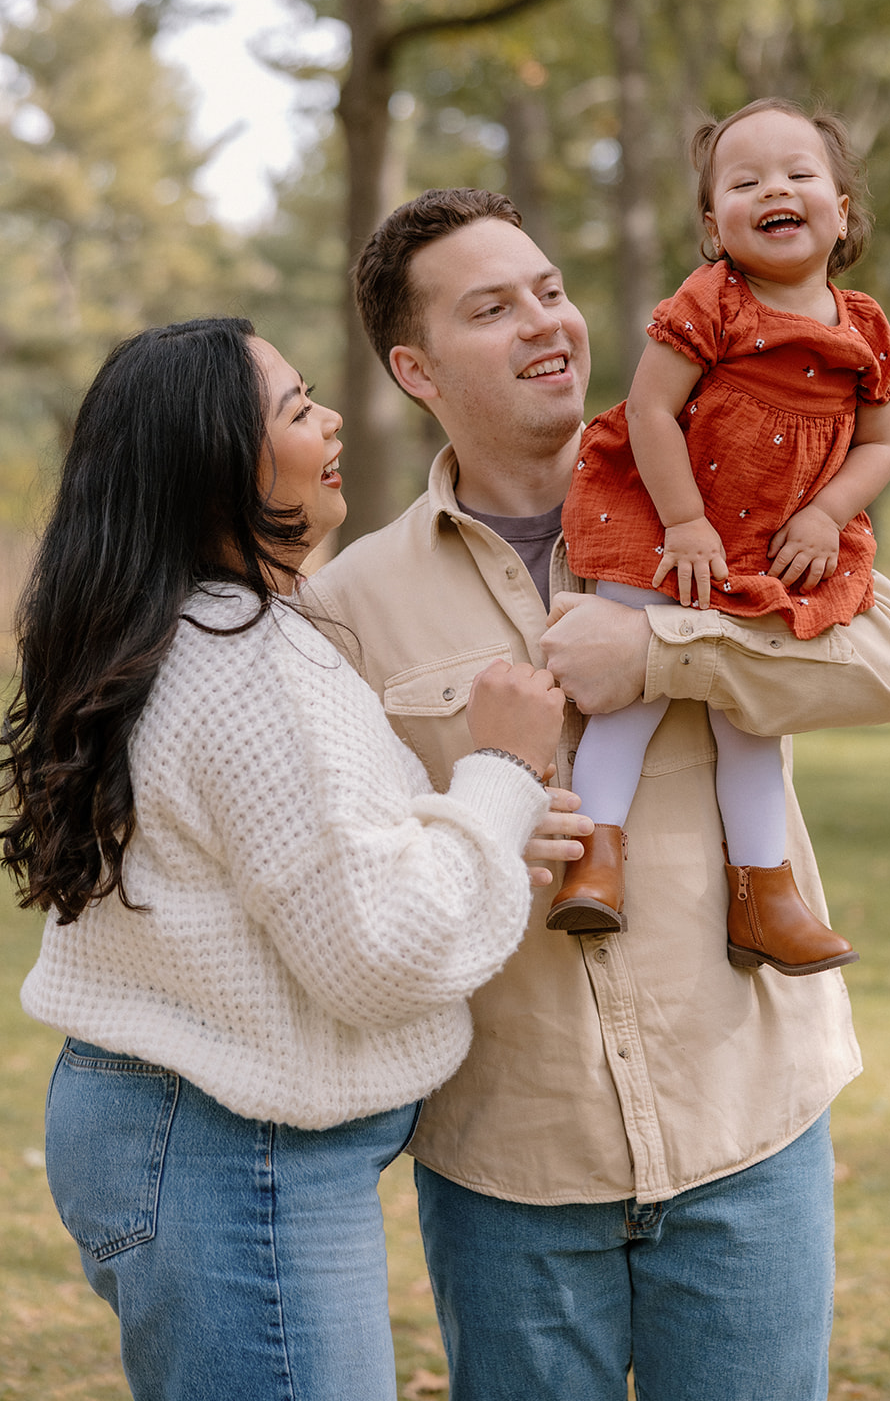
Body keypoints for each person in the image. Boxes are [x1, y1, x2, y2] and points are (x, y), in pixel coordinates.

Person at [308, 188, 890, 1401]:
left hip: (744, 1128)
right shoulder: (352, 606)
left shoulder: (722, 487)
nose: (546, 322)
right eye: (492, 308)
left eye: (547, 289)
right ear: (414, 366)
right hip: (510, 1172)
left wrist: (662, 655)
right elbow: (368, 884)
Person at [0, 316, 569, 1401]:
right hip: (234, 1157)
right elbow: (375, 953)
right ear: (219, 466)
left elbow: (294, 863)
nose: (333, 419)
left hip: (171, 1130)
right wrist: (501, 766)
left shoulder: (178, 627)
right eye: (298, 408)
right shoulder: (249, 663)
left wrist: (479, 826)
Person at [555, 99, 890, 976]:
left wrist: (827, 514)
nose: (773, 190)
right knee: (627, 700)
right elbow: (649, 410)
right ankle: (593, 862)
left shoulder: (864, 332)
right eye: (744, 181)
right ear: (715, 225)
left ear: (841, 211)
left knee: (754, 720)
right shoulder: (711, 301)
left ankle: (764, 897)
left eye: (797, 174)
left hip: (775, 546)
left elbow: (880, 444)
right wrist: (681, 520)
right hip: (666, 523)